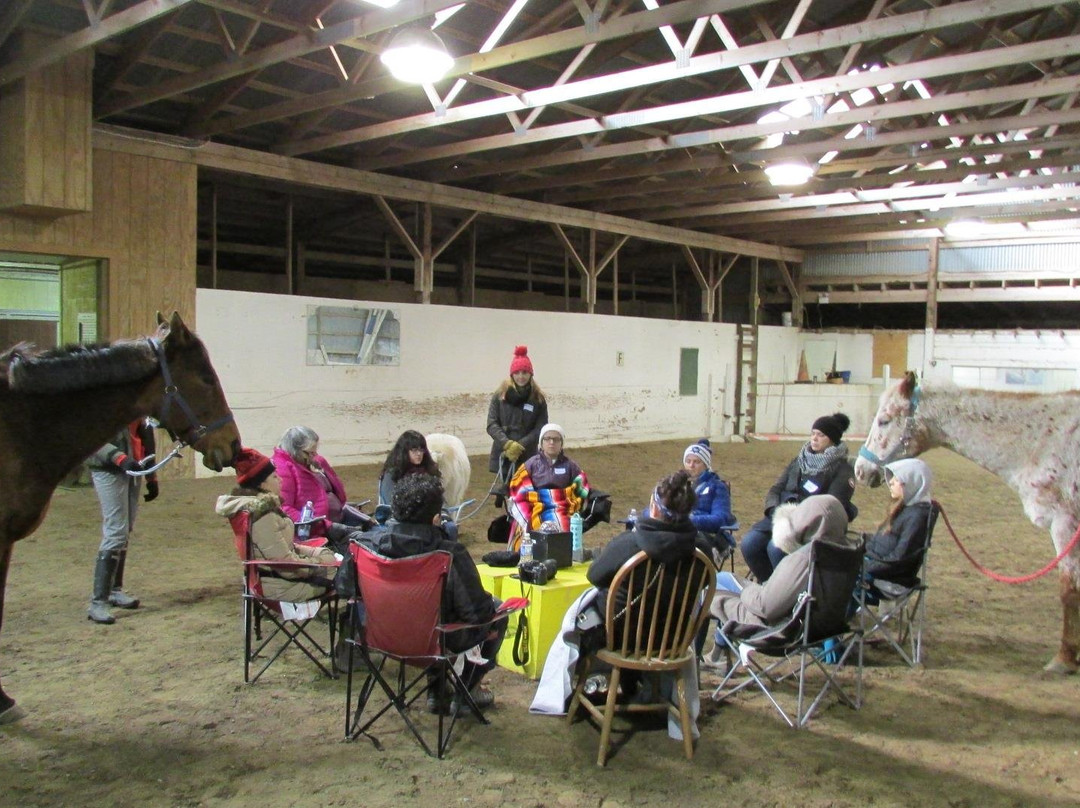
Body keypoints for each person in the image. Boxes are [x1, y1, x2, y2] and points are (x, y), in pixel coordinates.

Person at [361, 474, 506, 714]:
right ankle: (466, 690)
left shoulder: (365, 545)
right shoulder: (449, 554)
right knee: (496, 613)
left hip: (382, 635)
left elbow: (347, 589)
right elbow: (477, 613)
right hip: (433, 640)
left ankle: (437, 691)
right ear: (436, 517)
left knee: (433, 617)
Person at [707, 495, 856, 665]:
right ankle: (716, 653)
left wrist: (747, 591)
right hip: (822, 628)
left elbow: (766, 607)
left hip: (782, 631)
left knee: (715, 584)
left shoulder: (805, 558)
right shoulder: (846, 552)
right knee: (724, 582)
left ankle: (702, 661)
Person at [739, 412, 857, 582]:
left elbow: (832, 505)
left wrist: (799, 516)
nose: (814, 439)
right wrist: (774, 510)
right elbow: (776, 489)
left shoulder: (842, 469)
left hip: (811, 527)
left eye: (821, 435)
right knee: (750, 543)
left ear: (832, 439)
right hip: (782, 517)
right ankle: (768, 586)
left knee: (776, 548)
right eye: (813, 433)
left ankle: (786, 593)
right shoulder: (799, 460)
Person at [214, 447, 338, 602]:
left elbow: (285, 548)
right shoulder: (264, 516)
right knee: (348, 577)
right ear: (263, 485)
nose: (280, 480)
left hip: (275, 580)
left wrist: (319, 554)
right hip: (282, 587)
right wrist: (321, 563)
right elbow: (285, 564)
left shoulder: (259, 510)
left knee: (339, 567)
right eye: (274, 476)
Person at [86, 419, 160, 624]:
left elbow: (145, 437)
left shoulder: (139, 405)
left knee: (125, 531)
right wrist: (119, 458)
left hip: (133, 468)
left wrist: (152, 477)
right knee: (116, 531)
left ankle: (114, 590)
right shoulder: (107, 402)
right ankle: (98, 602)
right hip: (109, 469)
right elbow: (92, 438)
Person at [507, 423, 590, 541]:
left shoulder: (571, 466)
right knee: (530, 523)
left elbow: (581, 487)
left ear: (561, 444)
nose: (552, 442)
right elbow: (519, 486)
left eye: (556, 439)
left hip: (561, 507)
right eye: (547, 439)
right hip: (535, 506)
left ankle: (561, 553)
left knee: (563, 523)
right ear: (541, 443)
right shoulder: (531, 464)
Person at [864, 458, 935, 589]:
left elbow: (900, 559)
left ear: (911, 485)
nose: (890, 482)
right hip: (875, 562)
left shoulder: (916, 517)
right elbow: (886, 540)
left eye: (896, 480)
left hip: (887, 577)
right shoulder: (905, 507)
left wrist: (863, 566)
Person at [486, 345, 548, 496]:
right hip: (504, 452)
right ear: (512, 374)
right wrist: (507, 444)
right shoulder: (499, 396)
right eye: (518, 372)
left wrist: (520, 445)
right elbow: (491, 423)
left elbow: (541, 427)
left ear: (530, 374)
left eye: (525, 372)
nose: (521, 376)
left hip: (527, 454)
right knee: (508, 494)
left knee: (525, 493)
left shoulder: (538, 399)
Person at [272, 425, 351, 538]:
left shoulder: (311, 462)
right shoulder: (282, 469)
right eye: (310, 453)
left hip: (329, 525)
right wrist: (323, 525)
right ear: (295, 450)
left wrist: (322, 468)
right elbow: (284, 509)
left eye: (315, 452)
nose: (314, 456)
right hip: (308, 534)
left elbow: (338, 490)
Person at [682, 438, 736, 561]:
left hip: (704, 536)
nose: (691, 465)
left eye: (697, 462)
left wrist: (689, 520)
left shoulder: (717, 486)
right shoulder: (677, 484)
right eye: (688, 461)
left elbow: (720, 518)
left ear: (706, 465)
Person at [377, 430, 440, 507]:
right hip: (402, 515)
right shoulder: (392, 474)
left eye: (421, 450)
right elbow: (391, 502)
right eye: (414, 450)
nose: (419, 454)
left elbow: (439, 499)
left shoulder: (429, 471)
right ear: (404, 452)